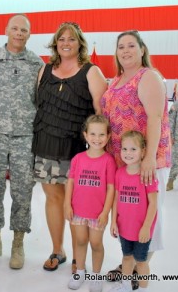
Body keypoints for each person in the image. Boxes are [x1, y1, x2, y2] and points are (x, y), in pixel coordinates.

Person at [32, 22, 107, 273]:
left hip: (76, 150)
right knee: (53, 198)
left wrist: (100, 153)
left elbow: (100, 114)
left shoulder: (91, 71)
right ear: (55, 43)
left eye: (71, 39)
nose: (66, 42)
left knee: (77, 203)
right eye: (61, 38)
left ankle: (79, 257)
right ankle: (57, 250)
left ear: (80, 44)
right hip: (44, 143)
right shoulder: (44, 70)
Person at [100, 30, 171, 287]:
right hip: (125, 163)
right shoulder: (116, 79)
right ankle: (129, 263)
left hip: (147, 161)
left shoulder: (148, 77)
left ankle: (142, 266)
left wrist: (149, 158)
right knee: (129, 215)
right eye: (121, 46)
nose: (126, 50)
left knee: (148, 216)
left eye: (131, 45)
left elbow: (154, 118)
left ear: (142, 50)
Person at [0, 14, 43, 270]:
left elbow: (41, 100)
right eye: (14, 28)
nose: (18, 33)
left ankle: (18, 242)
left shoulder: (36, 63)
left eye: (23, 30)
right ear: (6, 30)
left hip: (25, 136)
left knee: (22, 190)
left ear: (29, 34)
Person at [64, 115, 115, 292]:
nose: (97, 138)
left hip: (97, 213)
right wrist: (67, 205)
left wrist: (105, 212)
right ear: (85, 135)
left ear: (108, 136)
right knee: (80, 240)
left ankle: (96, 275)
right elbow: (70, 182)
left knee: (95, 243)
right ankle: (79, 271)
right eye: (93, 134)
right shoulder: (78, 159)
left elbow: (111, 188)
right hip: (78, 210)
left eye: (102, 135)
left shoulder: (108, 160)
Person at [110, 131, 158, 292]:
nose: (128, 153)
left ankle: (143, 289)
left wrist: (146, 227)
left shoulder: (148, 175)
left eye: (133, 149)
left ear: (143, 151)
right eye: (124, 149)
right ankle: (125, 285)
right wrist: (113, 221)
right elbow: (116, 199)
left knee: (141, 261)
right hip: (125, 227)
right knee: (126, 257)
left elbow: (153, 204)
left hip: (141, 230)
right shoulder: (119, 173)